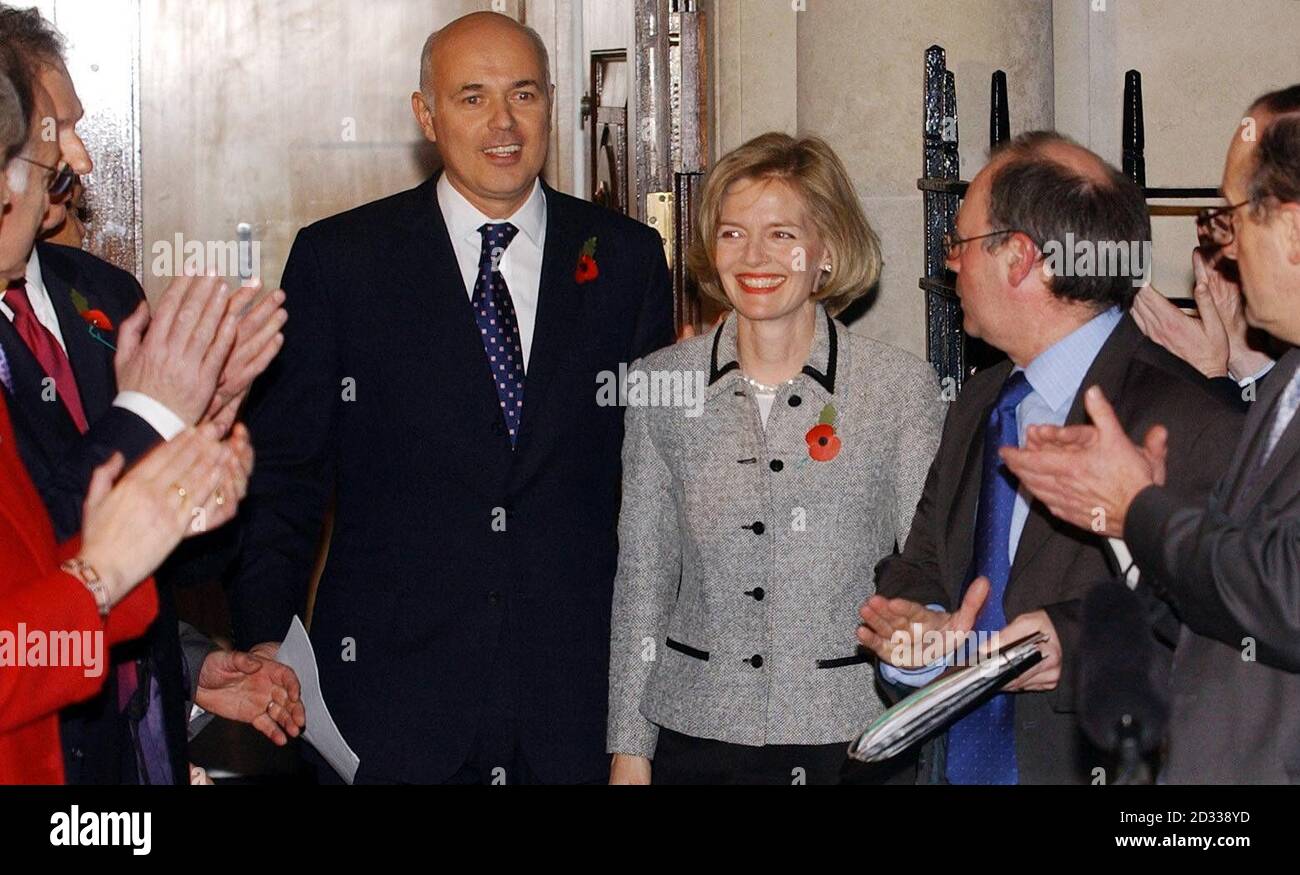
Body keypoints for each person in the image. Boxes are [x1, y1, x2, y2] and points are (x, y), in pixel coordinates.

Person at [227, 10, 673, 784]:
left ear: (552, 105)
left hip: (573, 708)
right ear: (425, 115)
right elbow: (286, 478)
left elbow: (656, 492)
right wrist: (265, 638)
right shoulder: (340, 262)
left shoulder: (628, 260)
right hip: (389, 707)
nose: (502, 123)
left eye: (524, 94)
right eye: (471, 98)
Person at [855, 131, 1243, 784]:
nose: (950, 262)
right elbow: (922, 564)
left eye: (962, 242)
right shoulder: (981, 400)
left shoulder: (1192, 418)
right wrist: (915, 634)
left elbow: (1226, 620)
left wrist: (1074, 639)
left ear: (1020, 258)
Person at [0, 6, 300, 784]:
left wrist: (201, 443)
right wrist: (148, 419)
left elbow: (172, 556)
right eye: (50, 134)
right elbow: (49, 548)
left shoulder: (104, 296)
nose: (79, 159)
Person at [605, 133, 943, 785]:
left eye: (782, 233)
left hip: (854, 738)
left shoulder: (899, 390)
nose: (754, 256)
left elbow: (924, 571)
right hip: (697, 738)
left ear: (827, 252)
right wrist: (629, 746)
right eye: (732, 233)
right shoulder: (660, 384)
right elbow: (644, 574)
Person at [1001, 87, 1300, 783]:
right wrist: (1126, 516)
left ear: (1291, 228)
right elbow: (1225, 598)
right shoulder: (1285, 381)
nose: (1222, 248)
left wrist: (1142, 506)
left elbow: (1286, 594)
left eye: (1230, 214)